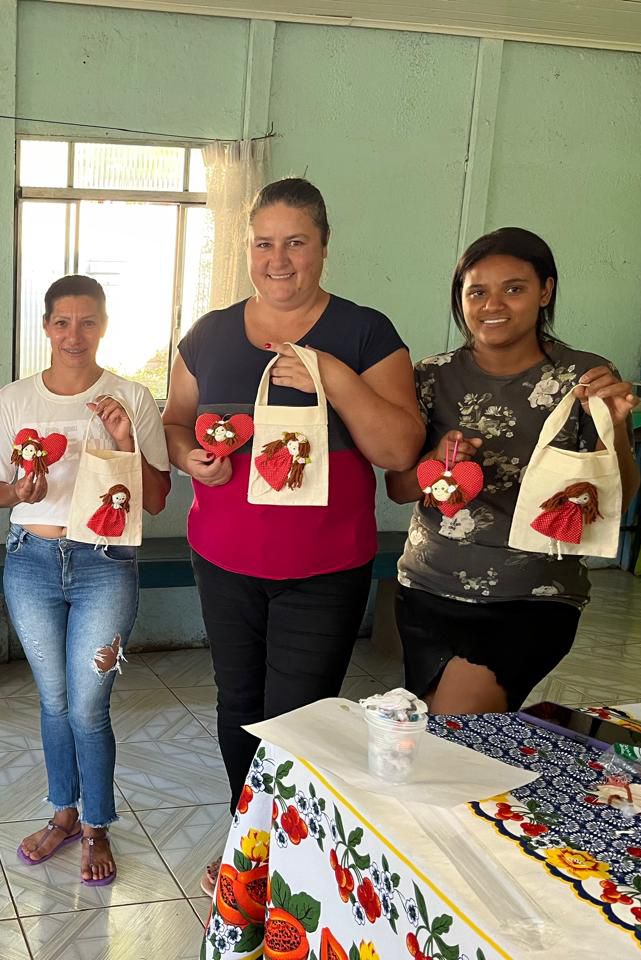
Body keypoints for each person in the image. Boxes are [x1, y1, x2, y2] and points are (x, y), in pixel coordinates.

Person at [161, 179, 422, 895]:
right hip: (223, 559)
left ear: (324, 248)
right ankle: (251, 844)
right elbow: (176, 419)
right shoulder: (210, 334)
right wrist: (190, 457)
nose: (279, 259)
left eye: (296, 242)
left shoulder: (364, 333)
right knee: (238, 705)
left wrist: (331, 376)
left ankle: (288, 852)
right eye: (264, 243)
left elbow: (400, 449)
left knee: (300, 718)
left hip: (324, 568)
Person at [388, 226, 639, 714]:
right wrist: (438, 463)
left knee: (448, 732)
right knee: (441, 741)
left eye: (514, 288)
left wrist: (619, 431)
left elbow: (615, 501)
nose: (492, 305)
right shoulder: (431, 375)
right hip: (427, 587)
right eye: (477, 291)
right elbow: (399, 487)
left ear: (545, 291)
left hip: (530, 597)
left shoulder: (583, 379)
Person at [0, 274, 171, 885]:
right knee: (54, 698)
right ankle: (63, 814)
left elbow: (159, 497)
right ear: (45, 327)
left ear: (104, 325)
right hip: (31, 560)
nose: (73, 334)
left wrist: (125, 441)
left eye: (87, 321)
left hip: (105, 566)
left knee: (89, 705)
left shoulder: (132, 399)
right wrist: (20, 491)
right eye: (62, 322)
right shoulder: (15, 399)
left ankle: (96, 825)